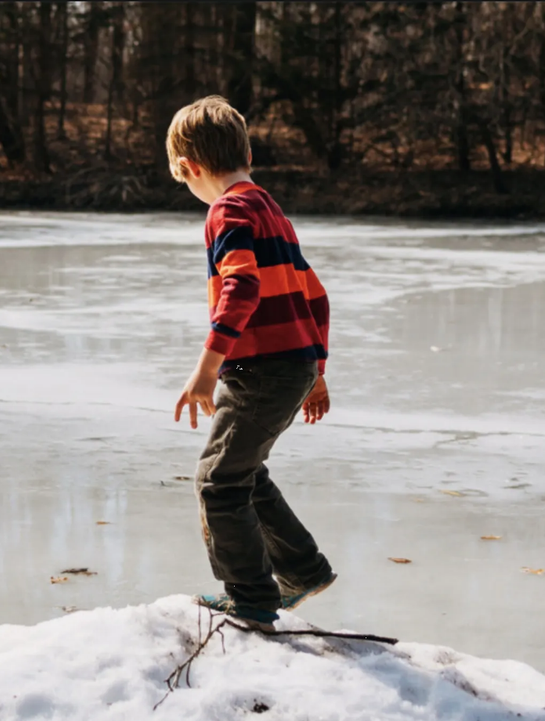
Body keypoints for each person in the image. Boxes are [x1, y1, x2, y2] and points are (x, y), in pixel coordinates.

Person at [168, 95, 337, 631]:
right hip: (292, 365)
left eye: (183, 181)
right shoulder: (269, 208)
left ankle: (251, 598)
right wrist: (317, 371)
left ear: (190, 168)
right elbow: (315, 294)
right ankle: (302, 569)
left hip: (261, 369)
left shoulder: (228, 210)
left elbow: (241, 285)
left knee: (218, 481)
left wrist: (208, 365)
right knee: (243, 471)